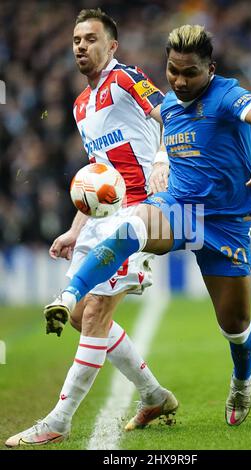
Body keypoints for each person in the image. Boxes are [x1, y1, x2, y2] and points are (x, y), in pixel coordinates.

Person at [37, 24, 251, 430]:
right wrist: (159, 161)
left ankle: (242, 379)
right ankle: (68, 295)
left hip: (224, 223)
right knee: (133, 224)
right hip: (178, 211)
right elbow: (149, 143)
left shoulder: (225, 95)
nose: (179, 81)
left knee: (236, 327)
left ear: (210, 68)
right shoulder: (170, 106)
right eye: (173, 70)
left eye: (190, 73)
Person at [5, 9, 178, 448]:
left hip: (139, 213)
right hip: (102, 221)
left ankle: (59, 419)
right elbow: (98, 180)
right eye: (76, 39)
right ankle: (155, 396)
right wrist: (73, 228)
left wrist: (161, 161)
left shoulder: (127, 79)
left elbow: (170, 112)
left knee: (97, 313)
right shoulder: (82, 106)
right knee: (83, 317)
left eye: (91, 38)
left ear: (111, 46)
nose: (81, 45)